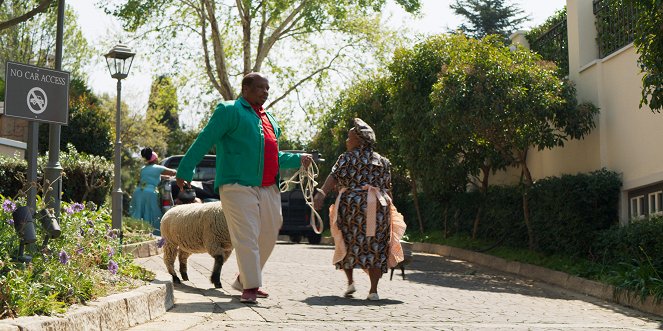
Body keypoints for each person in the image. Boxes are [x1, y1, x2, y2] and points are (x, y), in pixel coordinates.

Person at [175, 72, 312, 304]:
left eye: (268, 88)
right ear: (245, 88)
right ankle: (251, 286)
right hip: (236, 184)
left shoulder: (270, 119)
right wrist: (185, 169)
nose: (266, 92)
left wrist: (298, 159)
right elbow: (205, 139)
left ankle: (244, 278)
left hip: (268, 186)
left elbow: (273, 156)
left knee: (270, 232)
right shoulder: (229, 111)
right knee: (246, 234)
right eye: (260, 87)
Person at [313, 118, 405, 301]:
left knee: (346, 241)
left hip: (351, 207)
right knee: (376, 246)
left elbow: (333, 177)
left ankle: (350, 283)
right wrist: (389, 213)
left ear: (360, 140)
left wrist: (321, 193)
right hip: (379, 208)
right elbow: (388, 188)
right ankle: (373, 290)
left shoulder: (346, 158)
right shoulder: (383, 161)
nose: (346, 141)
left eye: (349, 137)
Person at [130, 147, 176, 233]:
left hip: (138, 192)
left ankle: (136, 232)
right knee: (152, 213)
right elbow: (173, 172)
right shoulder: (158, 168)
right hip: (150, 193)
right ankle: (156, 233)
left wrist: (162, 176)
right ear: (155, 159)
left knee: (138, 214)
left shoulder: (143, 169)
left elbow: (148, 177)